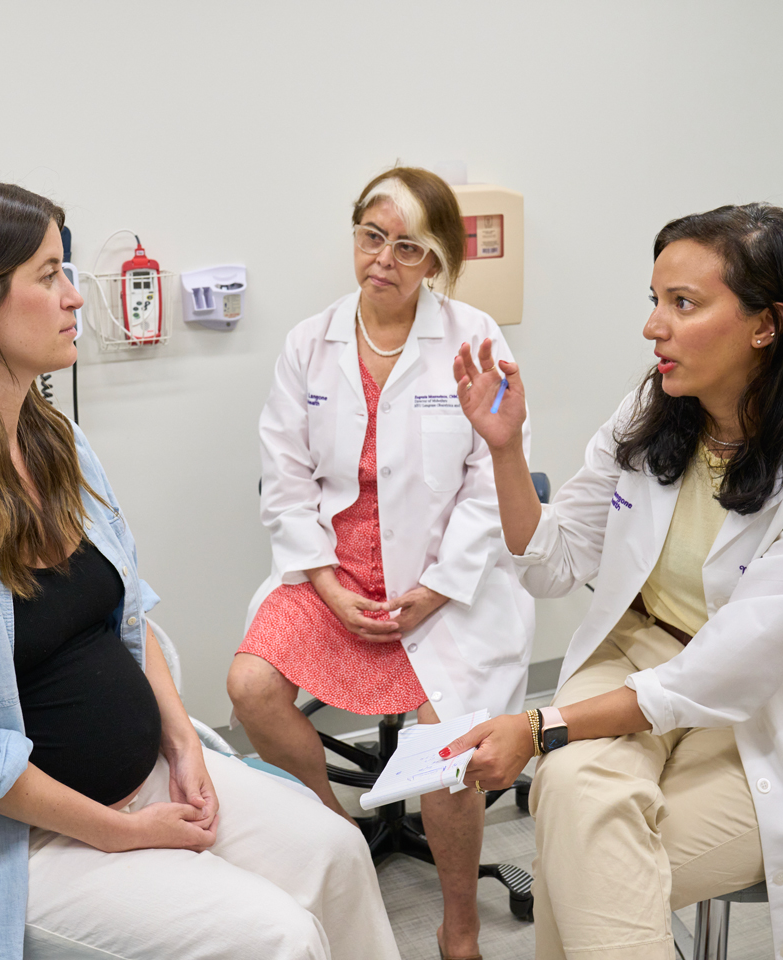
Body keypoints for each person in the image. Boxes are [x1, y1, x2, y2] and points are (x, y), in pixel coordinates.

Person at [0, 181, 400, 960]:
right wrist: (126, 835)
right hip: (18, 848)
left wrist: (183, 744)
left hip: (148, 779)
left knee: (337, 850)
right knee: (279, 938)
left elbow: (128, 617)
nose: (73, 299)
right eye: (49, 274)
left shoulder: (54, 441)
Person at [441, 202, 783, 960]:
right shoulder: (656, 407)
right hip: (634, 654)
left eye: (683, 304)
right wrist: (505, 451)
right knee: (582, 820)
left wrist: (541, 728)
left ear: (766, 324)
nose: (653, 327)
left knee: (579, 842)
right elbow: (552, 563)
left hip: (774, 708)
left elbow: (730, 669)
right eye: (655, 301)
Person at [227, 166, 535, 960]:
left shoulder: (475, 340)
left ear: (434, 262)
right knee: (251, 688)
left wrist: (434, 590)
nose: (383, 260)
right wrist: (325, 583)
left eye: (407, 246)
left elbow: (487, 487)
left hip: (444, 587)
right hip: (333, 575)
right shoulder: (309, 343)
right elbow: (286, 481)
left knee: (449, 754)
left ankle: (459, 924)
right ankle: (335, 831)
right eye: (371, 237)